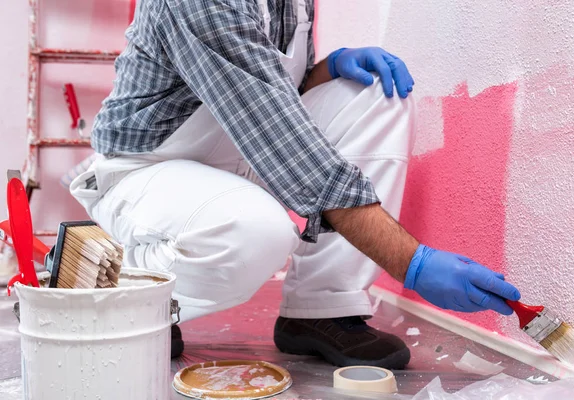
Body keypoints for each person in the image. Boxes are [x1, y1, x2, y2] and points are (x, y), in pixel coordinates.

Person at [71, 0, 521, 369]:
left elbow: (275, 85)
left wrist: (329, 68)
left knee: (377, 93)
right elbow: (282, 141)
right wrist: (413, 264)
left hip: (240, 153)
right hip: (146, 170)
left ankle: (322, 308)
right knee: (256, 232)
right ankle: (127, 287)